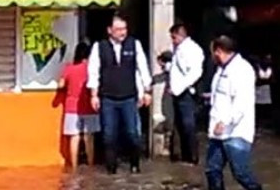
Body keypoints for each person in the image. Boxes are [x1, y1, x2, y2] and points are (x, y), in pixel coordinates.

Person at [205, 35, 270, 190]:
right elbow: (222, 95)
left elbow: (241, 103)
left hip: (236, 131)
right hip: (217, 131)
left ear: (219, 51)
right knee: (212, 170)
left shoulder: (242, 70)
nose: (212, 56)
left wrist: (225, 122)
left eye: (213, 52)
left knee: (241, 173)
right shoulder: (221, 70)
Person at [87, 14, 152, 174]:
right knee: (109, 135)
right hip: (108, 98)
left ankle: (135, 164)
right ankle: (111, 168)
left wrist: (147, 91)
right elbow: (93, 72)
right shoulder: (99, 47)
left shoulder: (134, 44)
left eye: (124, 29)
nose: (122, 32)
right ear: (110, 30)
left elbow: (143, 68)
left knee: (133, 133)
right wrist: (94, 95)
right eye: (119, 29)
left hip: (129, 97)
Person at [167, 22, 205, 165]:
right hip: (179, 93)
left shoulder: (191, 49)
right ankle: (185, 155)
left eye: (173, 37)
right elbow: (178, 69)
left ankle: (192, 157)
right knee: (180, 124)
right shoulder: (180, 49)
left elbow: (195, 73)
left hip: (186, 93)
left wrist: (179, 88)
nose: (172, 40)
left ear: (179, 35)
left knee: (188, 124)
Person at [58, 43, 100, 168]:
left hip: (72, 107)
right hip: (89, 107)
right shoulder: (91, 69)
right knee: (89, 137)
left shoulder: (69, 68)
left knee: (74, 137)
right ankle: (91, 165)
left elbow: (61, 84)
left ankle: (74, 166)